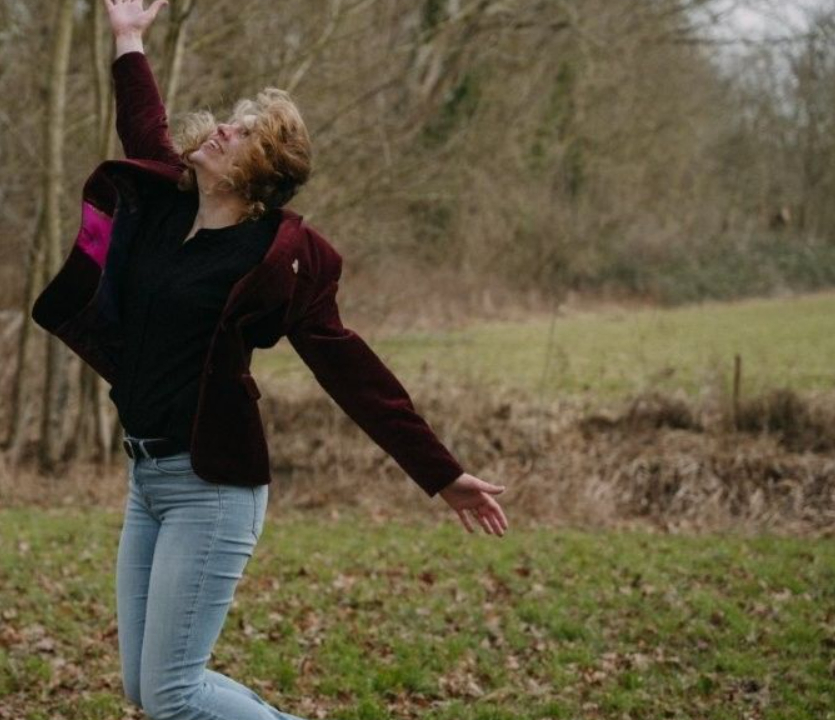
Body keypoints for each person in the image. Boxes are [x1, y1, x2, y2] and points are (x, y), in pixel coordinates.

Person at [32, 1, 511, 717]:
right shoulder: (167, 205)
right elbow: (142, 125)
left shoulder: (280, 258)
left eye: (245, 132)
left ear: (260, 173)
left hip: (211, 490)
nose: (224, 127)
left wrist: (439, 473)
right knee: (147, 688)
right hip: (147, 479)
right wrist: (128, 40)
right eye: (233, 120)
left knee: (174, 695)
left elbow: (350, 370)